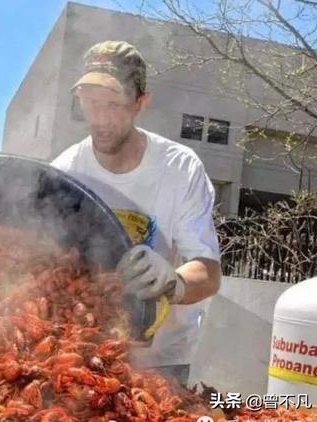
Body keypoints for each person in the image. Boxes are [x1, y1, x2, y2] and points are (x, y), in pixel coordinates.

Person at [51, 40, 222, 386]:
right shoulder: (65, 171)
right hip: (86, 357)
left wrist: (174, 282)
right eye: (91, 103)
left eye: (113, 104)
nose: (99, 118)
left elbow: (209, 271)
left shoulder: (179, 168)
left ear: (140, 103)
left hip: (163, 363)